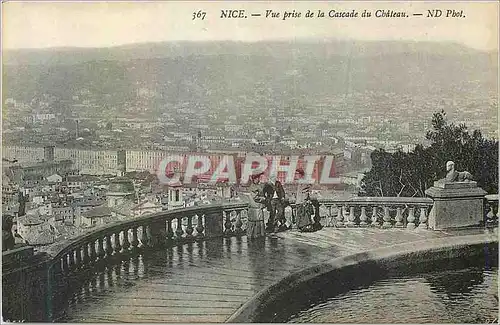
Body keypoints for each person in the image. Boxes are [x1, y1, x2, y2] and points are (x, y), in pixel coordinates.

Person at [243, 174, 266, 239]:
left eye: (258, 178)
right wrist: (263, 199)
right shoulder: (253, 187)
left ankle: (256, 235)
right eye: (257, 179)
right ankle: (255, 236)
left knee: (257, 222)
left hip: (257, 207)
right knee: (255, 223)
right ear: (254, 179)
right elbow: (255, 197)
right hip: (255, 207)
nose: (258, 180)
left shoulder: (256, 186)